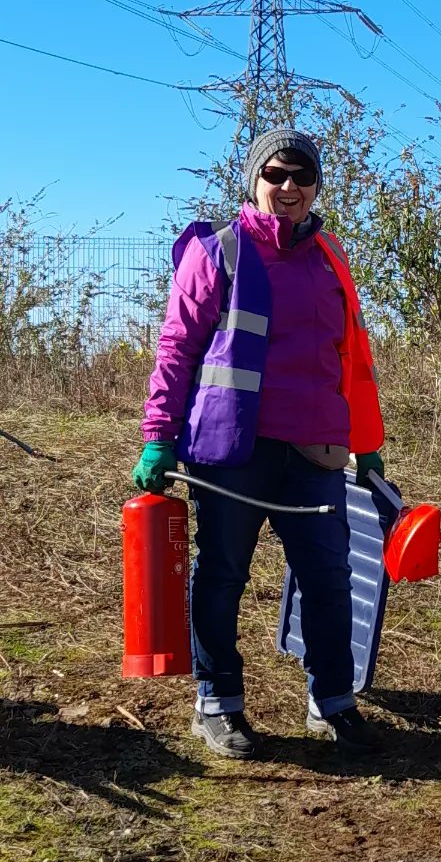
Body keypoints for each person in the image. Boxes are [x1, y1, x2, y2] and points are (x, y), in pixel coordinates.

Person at [132, 128, 386, 758]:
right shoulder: (218, 250)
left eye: (301, 176)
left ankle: (332, 702)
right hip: (231, 452)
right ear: (255, 181)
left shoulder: (330, 255)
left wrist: (367, 441)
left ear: (316, 185)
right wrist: (158, 436)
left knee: (328, 578)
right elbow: (177, 349)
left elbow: (352, 357)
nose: (288, 187)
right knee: (221, 576)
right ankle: (217, 704)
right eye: (275, 174)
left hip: (315, 450)